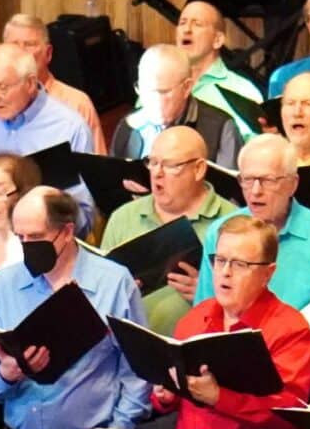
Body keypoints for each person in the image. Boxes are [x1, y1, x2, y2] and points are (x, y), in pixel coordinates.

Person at [0, 187, 151, 429]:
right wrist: (6, 374)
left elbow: (138, 369)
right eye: (21, 238)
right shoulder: (7, 283)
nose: (28, 247)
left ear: (67, 231)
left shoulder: (113, 282)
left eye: (36, 237)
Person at [161, 215, 310, 429]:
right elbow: (177, 401)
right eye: (219, 260)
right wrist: (165, 393)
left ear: (268, 272)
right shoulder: (196, 318)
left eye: (240, 263)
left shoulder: (288, 329)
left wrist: (220, 398)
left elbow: (289, 409)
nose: (225, 272)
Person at [196, 132, 310, 327]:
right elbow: (203, 310)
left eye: (267, 181)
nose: (255, 191)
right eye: (247, 180)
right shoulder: (220, 232)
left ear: (292, 184)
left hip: (303, 349)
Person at [99, 123, 242, 336]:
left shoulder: (234, 223)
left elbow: (255, 308)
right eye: (152, 162)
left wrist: (207, 295)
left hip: (202, 354)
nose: (157, 173)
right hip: (130, 353)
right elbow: (99, 294)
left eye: (170, 165)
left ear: (198, 169)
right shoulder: (123, 216)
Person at [0, 42, 100, 232]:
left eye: (2, 87)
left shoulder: (69, 127)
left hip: (43, 244)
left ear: (29, 83)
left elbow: (84, 212)